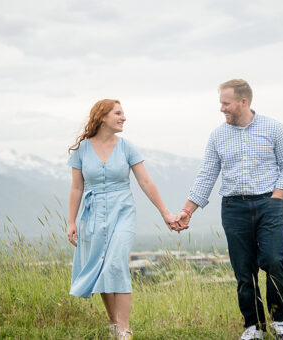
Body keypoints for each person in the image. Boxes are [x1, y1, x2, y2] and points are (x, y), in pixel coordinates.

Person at [171, 79, 283, 340]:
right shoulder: (217, 136)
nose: (221, 109)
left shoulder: (273, 128)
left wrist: (276, 197)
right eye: (221, 103)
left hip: (268, 204)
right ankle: (253, 326)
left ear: (243, 102)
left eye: (225, 103)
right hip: (233, 207)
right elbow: (207, 175)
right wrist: (188, 210)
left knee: (274, 260)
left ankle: (280, 321)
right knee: (243, 268)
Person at [66, 99, 180, 339]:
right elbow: (76, 188)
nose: (123, 117)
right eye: (118, 113)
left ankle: (124, 329)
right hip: (93, 215)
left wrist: (165, 213)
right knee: (101, 267)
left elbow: (145, 182)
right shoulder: (81, 150)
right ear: (102, 117)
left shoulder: (127, 147)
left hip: (123, 212)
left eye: (123, 113)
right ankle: (114, 323)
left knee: (116, 263)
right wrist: (71, 222)